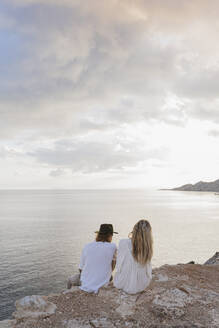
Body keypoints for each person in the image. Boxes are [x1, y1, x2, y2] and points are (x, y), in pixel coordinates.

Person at [67, 224, 117, 293]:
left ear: (98, 234)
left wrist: (90, 276)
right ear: (110, 235)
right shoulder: (113, 247)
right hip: (103, 282)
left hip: (85, 284)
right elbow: (112, 267)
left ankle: (68, 293)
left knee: (70, 279)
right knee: (110, 277)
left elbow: (80, 269)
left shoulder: (87, 246)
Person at [113, 219, 153, 294]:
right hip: (142, 284)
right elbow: (148, 271)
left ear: (134, 230)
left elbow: (119, 265)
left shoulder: (123, 242)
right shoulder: (148, 248)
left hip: (122, 283)